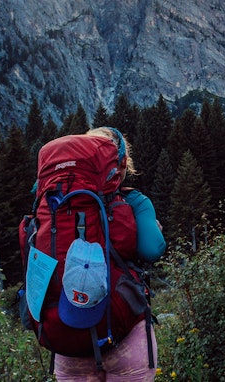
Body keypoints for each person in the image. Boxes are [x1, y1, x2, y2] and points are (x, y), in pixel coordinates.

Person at [54, 127, 166, 382]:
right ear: (123, 162)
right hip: (123, 331)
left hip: (68, 333)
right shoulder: (134, 201)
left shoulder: (56, 203)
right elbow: (152, 250)